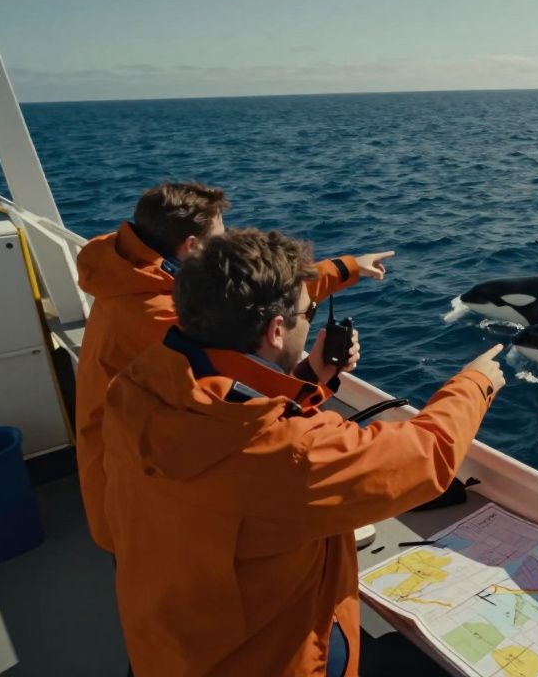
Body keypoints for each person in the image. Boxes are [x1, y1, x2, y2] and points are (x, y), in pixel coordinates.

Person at [101, 228, 504, 676]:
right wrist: (475, 382)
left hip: (167, 647)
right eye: (307, 310)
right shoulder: (289, 452)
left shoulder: (135, 388)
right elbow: (426, 454)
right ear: (276, 330)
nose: (310, 318)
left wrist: (309, 375)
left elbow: (233, 413)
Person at [74, 181, 395, 553]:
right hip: (138, 499)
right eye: (220, 240)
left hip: (131, 461)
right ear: (192, 248)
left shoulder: (129, 275)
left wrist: (345, 269)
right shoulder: (166, 317)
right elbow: (254, 402)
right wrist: (313, 378)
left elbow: (251, 294)